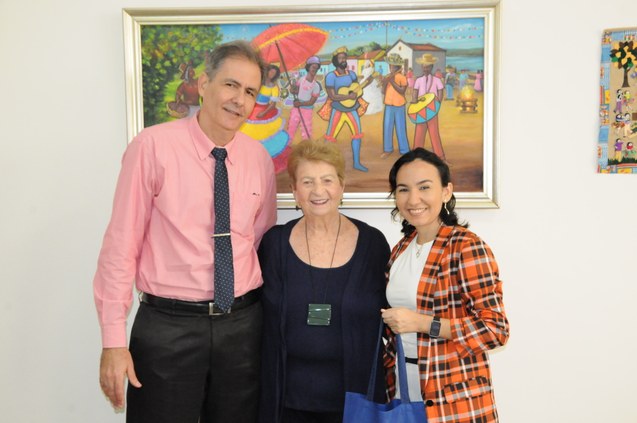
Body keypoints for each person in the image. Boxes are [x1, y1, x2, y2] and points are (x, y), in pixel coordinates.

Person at [94, 40, 277, 423]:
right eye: (231, 85)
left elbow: (259, 237)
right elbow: (121, 245)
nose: (239, 100)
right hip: (168, 329)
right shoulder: (152, 147)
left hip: (242, 327)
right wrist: (113, 341)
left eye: (250, 92)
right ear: (204, 84)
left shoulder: (259, 159)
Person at [258, 141, 390, 423]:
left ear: (341, 187)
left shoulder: (373, 244)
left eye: (327, 180)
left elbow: (390, 314)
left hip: (356, 404)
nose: (318, 191)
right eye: (307, 182)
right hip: (284, 402)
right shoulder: (274, 244)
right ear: (295, 191)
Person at [381, 148, 509, 423]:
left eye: (424, 187)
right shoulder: (400, 249)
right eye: (403, 189)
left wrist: (422, 323)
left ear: (446, 191)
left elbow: (495, 330)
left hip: (453, 402)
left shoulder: (465, 246)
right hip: (404, 390)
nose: (413, 199)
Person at [324, 46, 370, 172]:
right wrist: (348, 96)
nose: (343, 60)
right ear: (335, 61)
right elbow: (332, 96)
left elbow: (357, 89)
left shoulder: (352, 74)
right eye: (340, 58)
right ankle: (325, 163)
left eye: (344, 58)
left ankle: (356, 163)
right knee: (330, 137)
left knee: (357, 135)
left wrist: (357, 93)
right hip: (338, 110)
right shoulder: (331, 76)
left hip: (352, 109)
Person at [240, 63, 291, 174]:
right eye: (270, 71)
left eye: (274, 73)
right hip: (251, 109)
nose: (271, 74)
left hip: (264, 112)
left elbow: (273, 104)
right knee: (248, 134)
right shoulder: (257, 83)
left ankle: (261, 160)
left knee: (263, 135)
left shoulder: (274, 87)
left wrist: (264, 113)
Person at [412, 54, 446, 160]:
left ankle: (441, 157)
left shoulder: (437, 80)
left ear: (431, 67)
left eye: (427, 67)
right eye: (424, 67)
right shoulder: (418, 80)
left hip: (432, 110)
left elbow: (440, 92)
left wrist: (438, 103)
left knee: (434, 133)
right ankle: (416, 156)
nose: (425, 69)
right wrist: (414, 102)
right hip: (420, 110)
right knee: (419, 133)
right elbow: (415, 92)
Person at [381, 53, 410, 159]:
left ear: (397, 67)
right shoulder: (388, 77)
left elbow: (402, 91)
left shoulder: (402, 77)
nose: (391, 68)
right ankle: (387, 149)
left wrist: (392, 81)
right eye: (390, 66)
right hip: (389, 105)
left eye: (393, 66)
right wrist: (384, 83)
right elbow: (383, 91)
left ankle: (404, 150)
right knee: (387, 127)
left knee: (400, 127)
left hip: (399, 105)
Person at [287, 56, 322, 142]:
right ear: (308, 67)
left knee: (306, 130)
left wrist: (300, 104)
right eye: (313, 67)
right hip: (296, 108)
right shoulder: (301, 79)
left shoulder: (316, 86)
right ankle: (287, 145)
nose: (315, 70)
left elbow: (311, 102)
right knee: (291, 127)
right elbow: (295, 92)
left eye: (316, 68)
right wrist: (293, 89)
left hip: (307, 110)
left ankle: (307, 146)